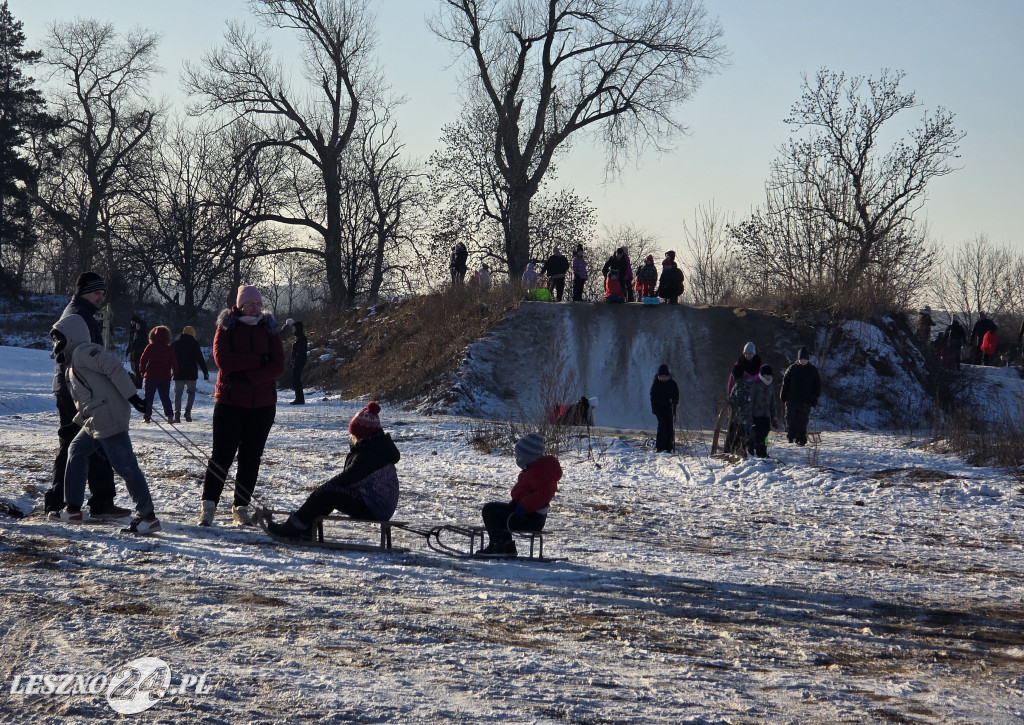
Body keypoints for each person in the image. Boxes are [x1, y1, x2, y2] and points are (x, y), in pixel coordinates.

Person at [49, 314, 161, 533]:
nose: (56, 345)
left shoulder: (85, 351)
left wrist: (133, 397)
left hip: (108, 416)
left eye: (59, 339)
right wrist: (80, 420)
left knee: (126, 466)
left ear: (71, 336)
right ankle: (72, 508)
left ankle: (148, 517)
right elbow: (87, 398)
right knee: (76, 450)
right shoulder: (73, 364)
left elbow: (113, 367)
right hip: (96, 419)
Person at [198, 285, 285, 527]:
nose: (255, 308)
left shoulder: (269, 328)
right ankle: (209, 506)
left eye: (258, 304)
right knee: (221, 456)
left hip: (263, 404)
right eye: (250, 304)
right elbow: (223, 360)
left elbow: (278, 364)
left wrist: (250, 376)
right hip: (230, 402)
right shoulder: (227, 326)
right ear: (240, 305)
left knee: (251, 457)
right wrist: (259, 361)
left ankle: (241, 507)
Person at [44, 272, 128, 517]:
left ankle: (74, 500)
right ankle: (87, 501)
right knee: (89, 441)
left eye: (102, 294)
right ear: (83, 292)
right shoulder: (79, 317)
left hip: (71, 387)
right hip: (76, 390)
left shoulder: (79, 313)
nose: (100, 298)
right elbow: (85, 359)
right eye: (96, 293)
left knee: (84, 442)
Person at [265, 402, 400, 541]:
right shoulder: (374, 447)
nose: (352, 437)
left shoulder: (370, 455)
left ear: (362, 435)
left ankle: (294, 527)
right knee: (329, 493)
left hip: (375, 508)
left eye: (354, 434)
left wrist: (320, 492)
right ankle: (306, 528)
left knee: (326, 492)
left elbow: (347, 478)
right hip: (375, 503)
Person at [479, 433, 561, 557]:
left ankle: (497, 545)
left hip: (530, 519)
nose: (516, 458)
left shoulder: (540, 472)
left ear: (528, 456)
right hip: (528, 516)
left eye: (518, 455)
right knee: (498, 512)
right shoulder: (535, 469)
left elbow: (544, 494)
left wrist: (524, 505)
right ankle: (507, 546)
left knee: (489, 510)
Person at [780, 347, 821, 446]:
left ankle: (801, 439)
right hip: (792, 399)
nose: (802, 361)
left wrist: (815, 398)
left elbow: (817, 386)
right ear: (798, 359)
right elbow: (785, 383)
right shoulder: (792, 369)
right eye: (801, 359)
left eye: (804, 359)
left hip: (805, 400)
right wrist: (783, 395)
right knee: (790, 418)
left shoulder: (813, 370)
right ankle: (791, 436)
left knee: (802, 420)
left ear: (807, 359)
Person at [170, 326, 209, 423]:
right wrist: (205, 372)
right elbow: (200, 359)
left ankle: (177, 415)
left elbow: (169, 358)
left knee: (178, 395)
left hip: (178, 373)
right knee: (191, 393)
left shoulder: (175, 344)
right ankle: (188, 413)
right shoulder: (194, 344)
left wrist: (167, 369)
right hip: (191, 374)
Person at [139, 325, 178, 424]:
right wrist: (175, 372)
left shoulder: (150, 347)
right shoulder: (169, 349)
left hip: (151, 375)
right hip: (164, 377)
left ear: (153, 335)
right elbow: (174, 362)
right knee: (165, 397)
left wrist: (142, 370)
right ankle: (169, 416)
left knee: (148, 397)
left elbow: (143, 359)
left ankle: (147, 417)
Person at [746, 364, 778, 458]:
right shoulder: (755, 384)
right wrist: (749, 415)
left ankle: (763, 450)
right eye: (765, 375)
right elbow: (751, 401)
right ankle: (756, 448)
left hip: (766, 414)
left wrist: (774, 418)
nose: (767, 376)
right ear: (761, 375)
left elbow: (773, 403)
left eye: (768, 375)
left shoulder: (771, 386)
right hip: (756, 414)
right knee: (758, 433)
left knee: (766, 432)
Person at [650, 364, 679, 453]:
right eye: (661, 376)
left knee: (670, 427)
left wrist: (672, 401)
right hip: (659, 409)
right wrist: (665, 401)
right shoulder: (656, 384)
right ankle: (660, 447)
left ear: (667, 375)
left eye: (664, 376)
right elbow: (653, 398)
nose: (663, 377)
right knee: (662, 426)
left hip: (669, 409)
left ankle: (668, 447)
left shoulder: (672, 383)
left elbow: (676, 396)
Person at [125, 316, 147, 388]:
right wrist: (129, 349)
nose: (132, 323)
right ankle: (136, 382)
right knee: (134, 368)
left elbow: (141, 343)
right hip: (134, 353)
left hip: (139, 353)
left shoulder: (142, 334)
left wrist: (134, 345)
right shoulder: (134, 332)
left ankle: (138, 384)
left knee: (138, 369)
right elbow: (131, 342)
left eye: (133, 322)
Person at [289, 320, 308, 405]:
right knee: (295, 380)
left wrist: (295, 362)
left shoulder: (302, 338)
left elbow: (300, 352)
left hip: (299, 362)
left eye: (294, 328)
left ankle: (300, 399)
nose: (293, 330)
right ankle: (299, 398)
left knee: (296, 380)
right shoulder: (299, 338)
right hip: (296, 362)